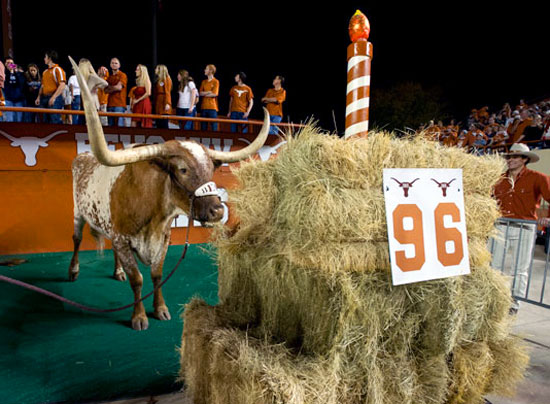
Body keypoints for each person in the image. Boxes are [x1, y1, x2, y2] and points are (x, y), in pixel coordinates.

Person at [492, 143, 550, 314]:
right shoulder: (498, 178)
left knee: (520, 268)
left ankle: (514, 303)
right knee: (494, 266)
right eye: (509, 157)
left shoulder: (538, 177)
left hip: (525, 228)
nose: (510, 160)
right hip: (500, 226)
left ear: (525, 159)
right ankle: (494, 298)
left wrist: (548, 218)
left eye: (515, 157)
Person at [35, 50, 66, 124]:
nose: (44, 59)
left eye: (45, 57)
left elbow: (62, 85)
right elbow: (42, 86)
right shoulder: (45, 72)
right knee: (42, 121)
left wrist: (53, 97)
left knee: (54, 120)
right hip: (44, 98)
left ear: (50, 58)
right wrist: (38, 97)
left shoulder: (58, 69)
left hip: (55, 98)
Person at [105, 57, 127, 126]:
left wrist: (110, 88)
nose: (114, 64)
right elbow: (105, 90)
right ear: (110, 65)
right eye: (112, 63)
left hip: (119, 104)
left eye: (116, 63)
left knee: (120, 127)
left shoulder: (122, 75)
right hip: (110, 104)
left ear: (119, 65)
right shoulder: (109, 77)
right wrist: (114, 87)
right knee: (111, 128)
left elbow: (119, 87)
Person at [2, 57, 26, 122]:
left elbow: (22, 84)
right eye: (8, 63)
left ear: (14, 64)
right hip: (8, 99)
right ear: (5, 64)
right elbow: (4, 84)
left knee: (19, 120)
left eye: (11, 63)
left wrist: (16, 72)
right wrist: (9, 72)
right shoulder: (3, 74)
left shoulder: (19, 73)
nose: (10, 64)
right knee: (10, 120)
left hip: (19, 100)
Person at [199, 64, 219, 131]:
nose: (205, 70)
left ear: (210, 71)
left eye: (206, 69)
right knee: (203, 127)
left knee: (214, 127)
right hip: (204, 107)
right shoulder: (203, 82)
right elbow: (200, 93)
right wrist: (209, 92)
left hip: (212, 108)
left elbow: (215, 94)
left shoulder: (216, 81)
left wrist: (205, 93)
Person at [153, 64, 172, 129]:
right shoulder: (158, 80)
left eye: (157, 69)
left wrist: (167, 103)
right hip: (158, 102)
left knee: (164, 123)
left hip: (163, 102)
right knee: (158, 123)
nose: (155, 70)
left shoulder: (166, 79)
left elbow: (167, 92)